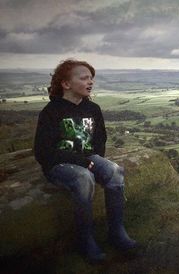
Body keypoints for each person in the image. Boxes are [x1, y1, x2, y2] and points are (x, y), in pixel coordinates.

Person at [33, 59, 137, 263]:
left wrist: (97, 161)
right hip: (58, 164)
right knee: (84, 178)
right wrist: (82, 162)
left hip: (87, 158)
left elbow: (100, 140)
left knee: (115, 171)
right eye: (84, 78)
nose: (90, 82)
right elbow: (43, 151)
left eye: (91, 78)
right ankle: (85, 240)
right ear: (66, 84)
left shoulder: (93, 109)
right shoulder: (51, 112)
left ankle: (116, 232)